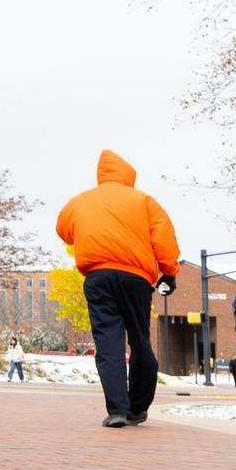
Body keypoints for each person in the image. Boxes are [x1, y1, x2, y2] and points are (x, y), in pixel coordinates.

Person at [55, 150, 179, 428]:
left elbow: (63, 229)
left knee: (108, 344)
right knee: (139, 340)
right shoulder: (144, 201)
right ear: (128, 175)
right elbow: (164, 239)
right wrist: (169, 272)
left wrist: (90, 231)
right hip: (136, 279)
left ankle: (117, 410)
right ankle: (138, 407)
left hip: (98, 276)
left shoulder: (81, 200)